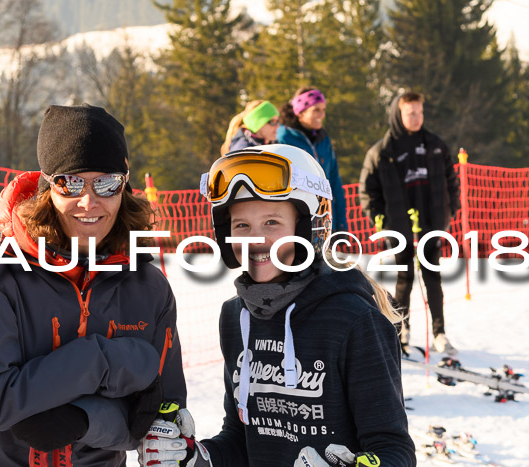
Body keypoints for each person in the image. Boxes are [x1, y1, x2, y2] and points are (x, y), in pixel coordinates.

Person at [0, 104, 186, 466]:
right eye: (70, 183)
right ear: (47, 188)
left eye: (106, 182)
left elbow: (157, 417)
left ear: (124, 187)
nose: (89, 201)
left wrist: (85, 420)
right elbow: (2, 402)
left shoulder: (148, 288)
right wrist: (113, 361)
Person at [138, 144, 416, 467]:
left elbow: (395, 450)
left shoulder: (353, 320)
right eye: (241, 225)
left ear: (309, 227)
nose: (255, 240)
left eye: (271, 222)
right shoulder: (235, 317)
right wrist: (195, 458)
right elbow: (241, 439)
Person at [359, 91, 460, 355]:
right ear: (398, 114)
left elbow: (451, 181)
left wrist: (452, 210)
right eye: (410, 113)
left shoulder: (435, 146)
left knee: (432, 276)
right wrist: (379, 218)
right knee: (404, 278)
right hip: (399, 224)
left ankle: (440, 333)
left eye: (420, 112)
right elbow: (368, 190)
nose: (417, 118)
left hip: (431, 222)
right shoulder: (383, 151)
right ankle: (402, 331)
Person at [277, 87, 348, 233]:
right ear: (300, 112)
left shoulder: (323, 138)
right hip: (297, 222)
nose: (322, 115)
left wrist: (341, 224)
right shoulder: (283, 137)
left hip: (326, 221)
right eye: (316, 110)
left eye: (323, 109)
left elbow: (334, 182)